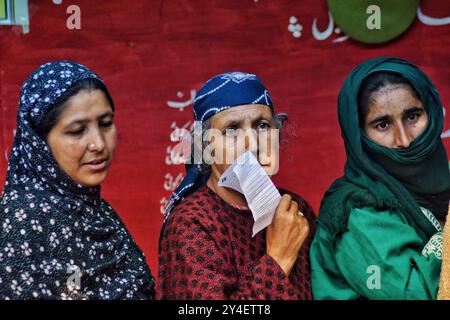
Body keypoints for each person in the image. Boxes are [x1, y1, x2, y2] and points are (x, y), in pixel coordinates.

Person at [0, 61, 155, 299]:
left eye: (105, 124)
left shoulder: (96, 212)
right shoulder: (23, 224)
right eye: (77, 130)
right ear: (39, 141)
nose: (99, 144)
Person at [158, 72, 315, 300]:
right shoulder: (192, 222)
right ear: (205, 147)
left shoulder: (296, 211)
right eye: (231, 130)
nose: (252, 144)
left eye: (262, 125)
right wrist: (279, 259)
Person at [310, 57, 450, 299]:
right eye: (383, 124)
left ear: (433, 111)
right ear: (359, 135)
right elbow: (418, 294)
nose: (404, 140)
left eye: (413, 116)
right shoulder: (356, 212)